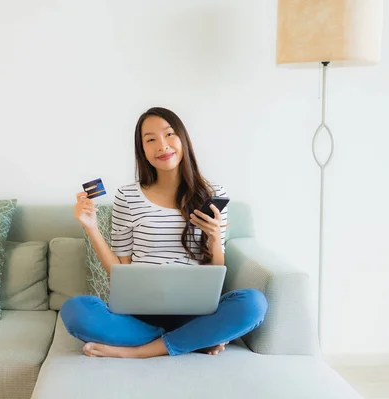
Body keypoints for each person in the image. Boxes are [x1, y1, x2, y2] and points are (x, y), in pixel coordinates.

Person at [61, 107, 268, 358]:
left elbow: (216, 273)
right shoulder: (127, 196)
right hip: (139, 315)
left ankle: (142, 351)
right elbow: (119, 270)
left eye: (169, 135)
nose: (162, 145)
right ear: (142, 150)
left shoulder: (213, 195)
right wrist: (91, 227)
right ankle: (193, 340)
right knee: (75, 310)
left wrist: (214, 238)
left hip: (194, 313)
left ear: (183, 139)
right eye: (150, 139)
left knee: (253, 304)